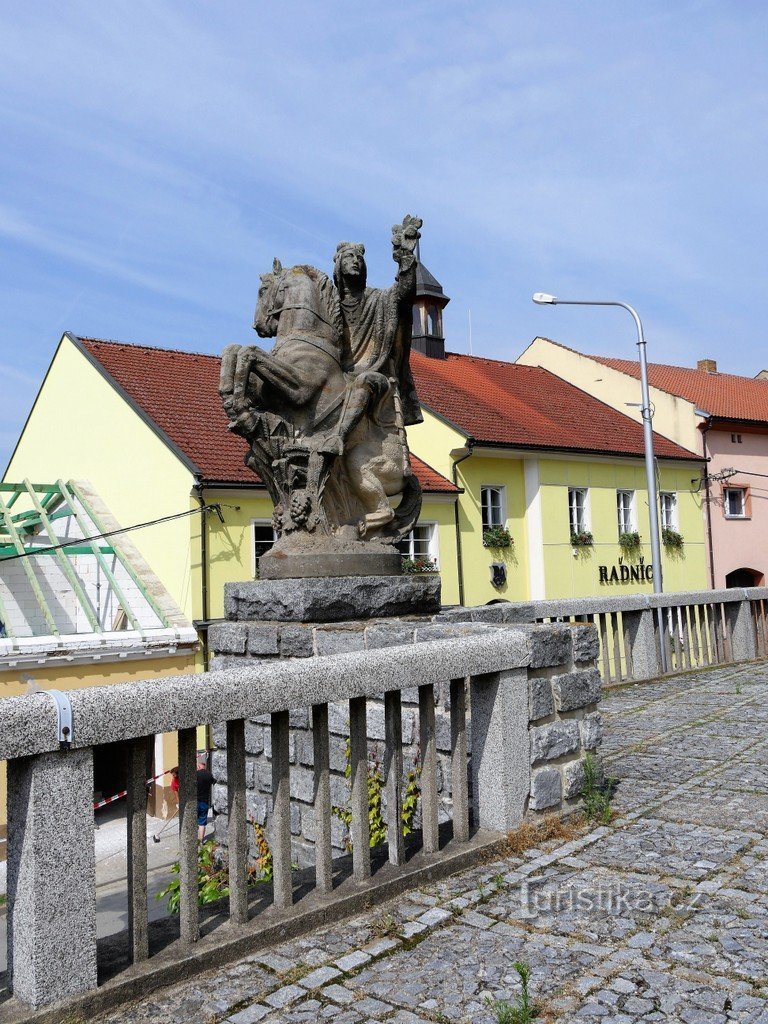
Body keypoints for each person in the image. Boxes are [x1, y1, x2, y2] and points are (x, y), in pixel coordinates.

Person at [196, 754, 214, 842]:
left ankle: (193, 839)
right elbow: (214, 782)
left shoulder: (195, 774)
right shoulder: (209, 774)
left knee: (193, 820)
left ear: (198, 766)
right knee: (202, 822)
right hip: (205, 801)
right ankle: (201, 840)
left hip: (195, 801)